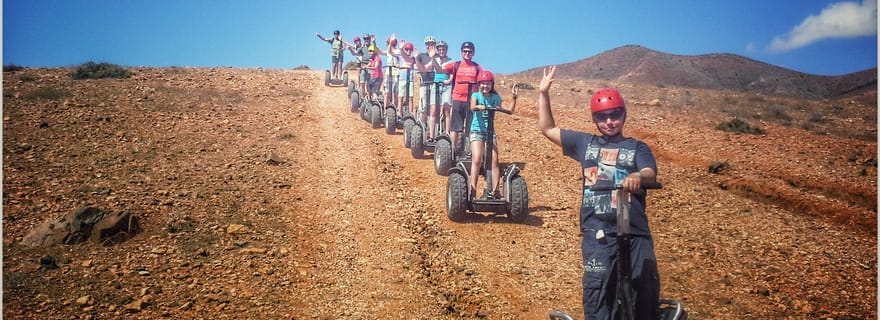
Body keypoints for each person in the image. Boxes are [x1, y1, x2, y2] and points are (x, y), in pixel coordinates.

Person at [537, 65, 660, 320]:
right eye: (602, 117)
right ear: (595, 120)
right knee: (599, 286)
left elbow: (650, 172)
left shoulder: (637, 147)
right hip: (598, 230)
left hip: (634, 230)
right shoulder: (585, 143)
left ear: (624, 115)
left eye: (614, 115)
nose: (609, 122)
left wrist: (638, 176)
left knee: (644, 288)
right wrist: (543, 94)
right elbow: (548, 128)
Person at [468, 70, 517, 200]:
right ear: (479, 84)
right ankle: (472, 190)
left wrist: (514, 98)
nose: (485, 86)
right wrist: (480, 107)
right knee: (477, 159)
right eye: (483, 84)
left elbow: (509, 110)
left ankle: (495, 191)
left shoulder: (495, 98)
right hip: (476, 131)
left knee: (494, 161)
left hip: (490, 133)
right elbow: (472, 107)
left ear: (492, 85)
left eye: (488, 84)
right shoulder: (476, 95)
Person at [440, 41, 481, 155]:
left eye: (469, 51)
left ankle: (468, 151)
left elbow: (484, 81)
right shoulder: (455, 65)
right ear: (461, 52)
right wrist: (433, 59)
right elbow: (440, 69)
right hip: (458, 99)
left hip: (471, 101)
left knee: (469, 128)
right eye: (465, 51)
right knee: (455, 127)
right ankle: (452, 152)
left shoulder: (477, 67)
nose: (467, 53)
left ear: (473, 53)